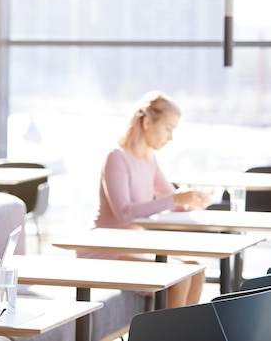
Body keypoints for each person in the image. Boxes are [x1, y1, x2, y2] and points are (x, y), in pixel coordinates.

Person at [79, 91, 211, 308]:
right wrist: (175, 199)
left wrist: (191, 200)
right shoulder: (116, 157)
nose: (171, 137)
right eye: (168, 128)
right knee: (179, 278)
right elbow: (124, 212)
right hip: (103, 250)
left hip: (130, 246)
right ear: (148, 122)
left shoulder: (149, 158)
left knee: (196, 270)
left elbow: (170, 198)